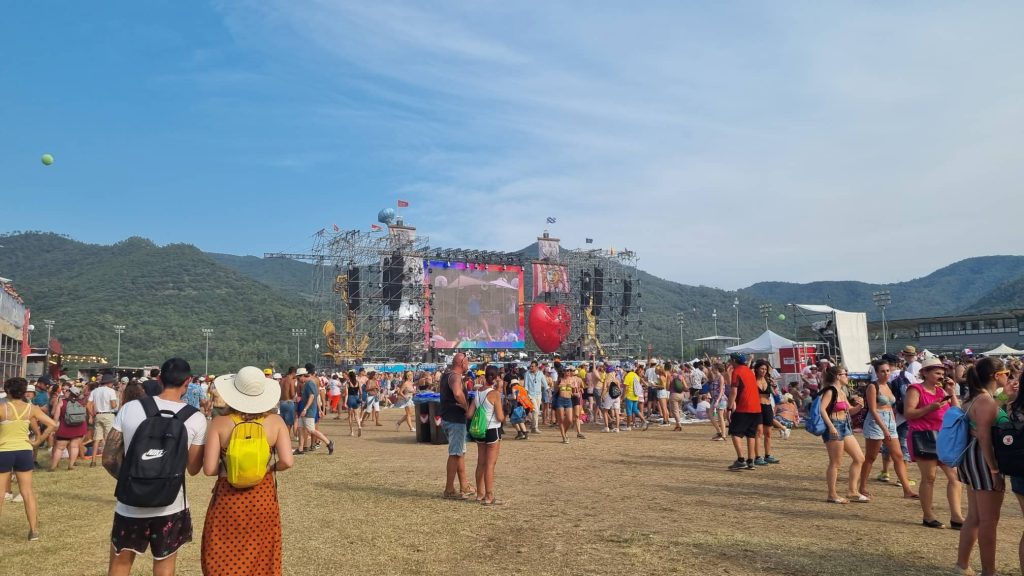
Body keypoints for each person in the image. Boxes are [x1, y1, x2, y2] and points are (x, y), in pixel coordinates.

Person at [102, 358, 208, 576]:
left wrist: (133, 481)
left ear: (159, 379)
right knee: (164, 567)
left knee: (120, 565)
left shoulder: (130, 408)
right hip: (171, 505)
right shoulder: (195, 418)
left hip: (130, 505)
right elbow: (193, 468)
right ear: (188, 381)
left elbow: (109, 458)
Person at [201, 367, 293, 576]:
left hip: (228, 498)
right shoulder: (275, 422)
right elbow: (287, 461)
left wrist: (232, 467)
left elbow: (209, 469)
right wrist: (269, 468)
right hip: (262, 496)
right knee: (261, 555)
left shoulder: (219, 423)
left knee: (223, 554)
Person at [955, 357, 1009, 576]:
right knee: (989, 520)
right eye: (1006, 373)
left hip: (971, 458)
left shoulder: (975, 397)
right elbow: (985, 435)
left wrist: (1005, 396)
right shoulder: (985, 400)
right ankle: (989, 570)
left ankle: (962, 565)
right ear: (996, 376)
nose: (1009, 376)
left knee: (975, 517)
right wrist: (994, 470)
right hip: (984, 460)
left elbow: (991, 412)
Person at [904, 356, 964, 529]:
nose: (941, 376)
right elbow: (909, 413)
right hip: (923, 436)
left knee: (955, 477)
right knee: (929, 478)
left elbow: (956, 411)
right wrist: (930, 408)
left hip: (942, 437)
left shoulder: (941, 391)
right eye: (937, 373)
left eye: (942, 373)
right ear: (925, 373)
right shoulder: (915, 389)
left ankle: (957, 517)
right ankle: (928, 516)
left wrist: (952, 392)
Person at [1, 377, 57, 541]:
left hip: (4, 451)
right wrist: (38, 441)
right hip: (24, 451)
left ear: (8, 391)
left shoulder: (3, 408)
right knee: (27, 492)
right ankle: (33, 531)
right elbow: (53, 424)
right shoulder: (31, 408)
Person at [858, 359, 917, 499]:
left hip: (890, 421)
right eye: (882, 371)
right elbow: (873, 410)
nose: (886, 374)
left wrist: (892, 424)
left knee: (898, 456)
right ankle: (862, 486)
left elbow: (890, 406)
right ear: (877, 373)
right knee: (871, 457)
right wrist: (884, 428)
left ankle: (907, 490)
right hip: (875, 422)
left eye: (887, 371)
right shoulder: (873, 387)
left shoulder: (889, 385)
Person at [818, 365, 867, 503]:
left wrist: (860, 406)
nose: (847, 377)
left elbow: (850, 410)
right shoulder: (830, 391)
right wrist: (831, 426)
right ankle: (832, 494)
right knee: (836, 462)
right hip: (834, 425)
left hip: (845, 426)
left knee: (859, 458)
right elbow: (822, 409)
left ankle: (852, 491)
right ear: (838, 376)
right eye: (845, 374)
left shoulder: (841, 392)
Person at [440, 353, 475, 500]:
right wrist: (466, 406)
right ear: (462, 363)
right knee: (455, 454)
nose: (468, 365)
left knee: (460, 453)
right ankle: (449, 489)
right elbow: (457, 393)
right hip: (455, 420)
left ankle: (464, 485)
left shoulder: (446, 375)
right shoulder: (455, 377)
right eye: (467, 362)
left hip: (449, 418)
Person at [472, 366, 505, 505]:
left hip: (480, 430)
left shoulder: (477, 392)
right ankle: (489, 495)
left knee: (481, 462)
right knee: (490, 464)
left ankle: (480, 493)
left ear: (485, 376)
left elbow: (470, 413)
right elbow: (500, 417)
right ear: (496, 378)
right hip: (492, 429)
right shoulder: (495, 394)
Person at [727, 354, 760, 471]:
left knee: (735, 432)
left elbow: (733, 392)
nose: (729, 362)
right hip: (756, 407)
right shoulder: (749, 371)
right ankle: (751, 461)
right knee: (751, 434)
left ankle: (741, 460)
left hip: (744, 406)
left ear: (734, 360)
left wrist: (729, 408)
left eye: (730, 360)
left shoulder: (736, 371)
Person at [49, 385, 88, 471]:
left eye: (67, 391)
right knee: (75, 447)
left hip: (65, 428)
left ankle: (53, 467)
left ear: (69, 393)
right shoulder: (81, 403)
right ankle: (71, 465)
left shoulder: (62, 402)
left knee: (59, 448)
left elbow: (56, 417)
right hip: (79, 428)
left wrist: (53, 428)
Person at [296, 368, 334, 455]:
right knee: (300, 428)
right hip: (305, 409)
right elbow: (316, 397)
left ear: (303, 376)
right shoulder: (307, 383)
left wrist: (305, 409)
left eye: (298, 377)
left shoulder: (310, 383)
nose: (298, 380)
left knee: (311, 430)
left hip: (308, 410)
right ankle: (300, 449)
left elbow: (312, 396)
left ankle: (328, 442)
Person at [88, 374, 120, 468]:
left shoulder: (95, 391)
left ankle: (93, 461)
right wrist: (116, 404)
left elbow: (88, 405)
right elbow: (113, 405)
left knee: (97, 439)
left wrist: (92, 414)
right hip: (108, 414)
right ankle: (108, 460)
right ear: (109, 383)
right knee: (109, 439)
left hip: (98, 415)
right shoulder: (111, 391)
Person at [753, 360, 780, 465]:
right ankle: (757, 457)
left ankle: (768, 455)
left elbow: (775, 394)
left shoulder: (768, 380)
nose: (763, 371)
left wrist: (774, 387)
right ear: (757, 369)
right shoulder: (753, 379)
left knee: (768, 433)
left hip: (768, 406)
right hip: (757, 407)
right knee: (759, 432)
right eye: (761, 369)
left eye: (765, 369)